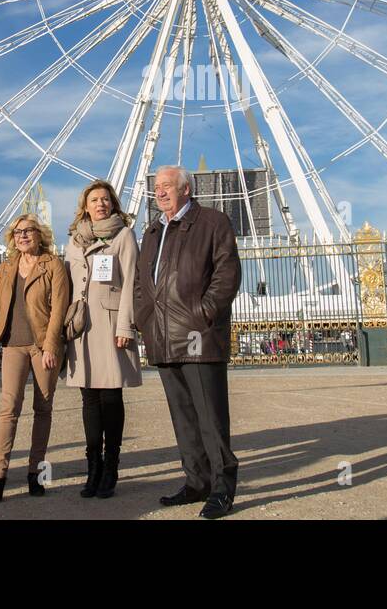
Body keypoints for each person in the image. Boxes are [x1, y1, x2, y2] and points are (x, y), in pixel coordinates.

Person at [134, 165, 242, 519]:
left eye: (166, 186)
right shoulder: (152, 231)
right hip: (163, 335)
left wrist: (204, 313)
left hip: (198, 335)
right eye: (157, 187)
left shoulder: (213, 222)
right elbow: (141, 281)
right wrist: (144, 318)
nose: (160, 192)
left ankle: (223, 488)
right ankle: (196, 481)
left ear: (186, 189)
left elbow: (227, 272)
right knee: (183, 417)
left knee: (211, 418)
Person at [63, 179, 143, 499]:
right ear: (86, 205)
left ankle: (111, 466)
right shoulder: (74, 240)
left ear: (113, 204)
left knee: (111, 398)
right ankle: (92, 466)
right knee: (89, 400)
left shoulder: (124, 235)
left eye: (106, 199)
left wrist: (125, 327)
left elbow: (131, 284)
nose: (101, 204)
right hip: (83, 328)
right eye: (95, 199)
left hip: (110, 326)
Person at [0, 213, 70, 502]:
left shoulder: (53, 265)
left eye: (29, 231)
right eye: (18, 232)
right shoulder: (6, 267)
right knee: (9, 409)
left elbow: (59, 307)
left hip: (42, 345)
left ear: (40, 234)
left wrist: (50, 346)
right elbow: (0, 302)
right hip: (12, 344)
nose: (23, 235)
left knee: (43, 409)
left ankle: (35, 473)